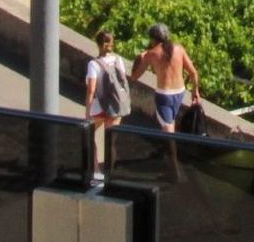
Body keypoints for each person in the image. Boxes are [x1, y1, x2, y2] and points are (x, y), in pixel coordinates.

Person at [133, 22, 203, 139]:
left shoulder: (151, 54)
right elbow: (193, 73)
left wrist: (139, 57)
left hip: (164, 95)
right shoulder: (179, 49)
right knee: (170, 122)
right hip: (180, 92)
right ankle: (169, 150)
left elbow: (134, 77)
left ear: (153, 39)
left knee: (168, 130)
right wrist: (195, 92)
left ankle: (173, 155)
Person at [84, 29, 132, 187]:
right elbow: (123, 82)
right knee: (110, 141)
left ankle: (96, 169)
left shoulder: (93, 64)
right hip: (115, 106)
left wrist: (87, 112)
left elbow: (91, 90)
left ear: (97, 44)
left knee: (90, 135)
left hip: (99, 106)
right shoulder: (118, 60)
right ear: (112, 43)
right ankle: (110, 173)